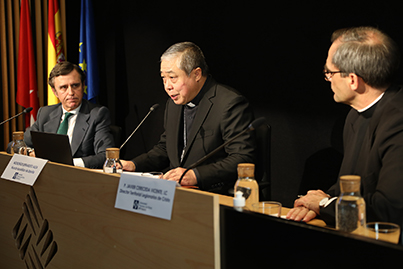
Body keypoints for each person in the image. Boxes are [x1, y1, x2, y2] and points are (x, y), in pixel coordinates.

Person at [286, 26, 403, 227]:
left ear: (352, 80)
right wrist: (313, 203)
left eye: (329, 72)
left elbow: (389, 210)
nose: (328, 79)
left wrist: (324, 204)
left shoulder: (398, 122)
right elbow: (350, 186)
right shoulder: (354, 115)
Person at [121, 42, 256, 193]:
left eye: (172, 77)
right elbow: (165, 149)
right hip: (175, 194)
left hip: (214, 194)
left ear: (196, 74)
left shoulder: (229, 104)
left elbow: (242, 158)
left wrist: (196, 175)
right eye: (163, 78)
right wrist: (133, 165)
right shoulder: (173, 104)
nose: (167, 86)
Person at [20, 61, 114, 169]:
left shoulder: (97, 114)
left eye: (75, 85)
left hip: (77, 178)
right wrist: (30, 152)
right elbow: (15, 145)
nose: (71, 92)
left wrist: (69, 163)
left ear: (83, 86)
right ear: (55, 92)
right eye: (64, 87)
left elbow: (105, 156)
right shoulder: (45, 113)